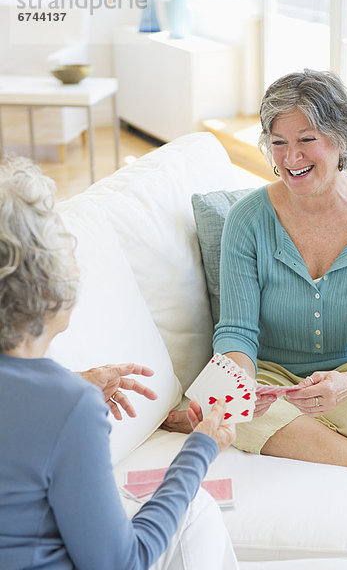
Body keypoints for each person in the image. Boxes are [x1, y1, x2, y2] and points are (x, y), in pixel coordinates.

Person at [165, 69, 347, 532]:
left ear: (341, 139)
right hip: (271, 373)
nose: (290, 157)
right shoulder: (248, 220)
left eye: (306, 139)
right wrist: (244, 384)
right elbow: (236, 331)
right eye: (277, 142)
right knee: (231, 405)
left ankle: (264, 430)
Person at [0, 157, 239, 570]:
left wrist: (77, 385)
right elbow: (122, 563)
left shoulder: (61, 398)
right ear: (44, 283)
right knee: (195, 507)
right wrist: (200, 448)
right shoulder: (66, 406)